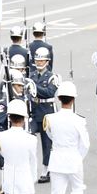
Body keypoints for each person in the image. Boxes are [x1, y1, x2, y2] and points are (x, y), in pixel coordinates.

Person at [44, 82, 89, 194]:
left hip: (57, 159)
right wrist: (78, 157)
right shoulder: (79, 120)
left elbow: (50, 135)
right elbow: (85, 144)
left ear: (59, 99)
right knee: (78, 188)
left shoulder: (50, 118)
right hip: (73, 158)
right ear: (73, 99)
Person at [0, 99, 37, 194]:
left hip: (9, 179)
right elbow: (33, 161)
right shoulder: (31, 139)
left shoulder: (0, 136)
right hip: (25, 179)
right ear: (24, 118)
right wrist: (33, 179)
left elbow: (1, 153)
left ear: (9, 117)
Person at [29, 47, 60, 183]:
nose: (39, 62)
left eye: (42, 60)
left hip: (47, 112)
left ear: (47, 62)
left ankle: (46, 169)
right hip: (34, 111)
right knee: (29, 138)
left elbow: (49, 92)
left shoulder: (52, 77)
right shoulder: (31, 76)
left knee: (47, 143)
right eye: (37, 60)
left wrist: (34, 87)